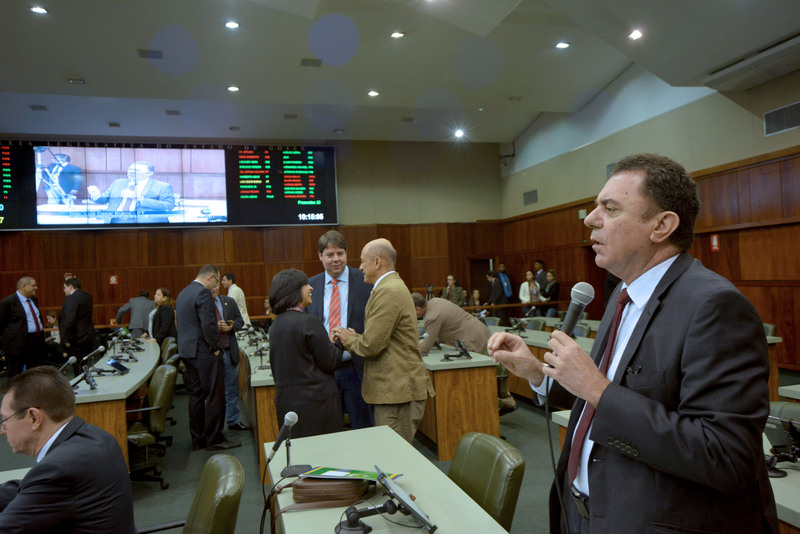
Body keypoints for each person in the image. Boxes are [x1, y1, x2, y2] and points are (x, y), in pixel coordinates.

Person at [488, 153, 778, 533]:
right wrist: (539, 374)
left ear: (661, 226)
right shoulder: (623, 294)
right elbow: (610, 396)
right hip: (586, 512)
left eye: (610, 209)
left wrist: (596, 387)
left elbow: (724, 455)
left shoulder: (714, 306)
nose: (590, 219)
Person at [0, 366, 136, 533]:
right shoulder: (95, 436)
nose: (3, 430)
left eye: (5, 420)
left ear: (34, 418)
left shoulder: (58, 469)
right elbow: (30, 487)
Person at [334, 238, 434, 444]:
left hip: (397, 394)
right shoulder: (389, 287)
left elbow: (371, 345)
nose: (360, 267)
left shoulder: (388, 291)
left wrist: (347, 339)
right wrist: (356, 337)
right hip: (395, 391)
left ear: (377, 262)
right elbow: (384, 338)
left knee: (394, 456)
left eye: (363, 261)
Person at [307, 230, 374, 430]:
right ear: (320, 256)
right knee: (328, 429)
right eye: (330, 254)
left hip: (356, 368)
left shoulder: (364, 281)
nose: (336, 259)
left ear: (346, 253)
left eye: (340, 253)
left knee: (363, 428)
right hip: (323, 371)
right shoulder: (311, 285)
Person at [269, 269, 344, 438]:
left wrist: (326, 343)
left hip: (290, 407)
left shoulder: (275, 325)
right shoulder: (309, 321)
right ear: (294, 290)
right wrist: (340, 341)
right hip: (317, 406)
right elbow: (331, 361)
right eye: (305, 285)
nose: (311, 288)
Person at [176, 264, 240, 451]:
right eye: (217, 281)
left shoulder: (183, 293)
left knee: (196, 396)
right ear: (210, 277)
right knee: (214, 395)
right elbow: (208, 324)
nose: (216, 285)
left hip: (187, 351)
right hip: (204, 352)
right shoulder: (203, 293)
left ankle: (198, 440)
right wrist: (215, 348)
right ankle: (215, 439)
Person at [210, 284, 248, 431]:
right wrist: (215, 327)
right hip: (212, 353)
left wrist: (231, 326)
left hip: (229, 351)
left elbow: (239, 320)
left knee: (232, 389)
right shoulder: (202, 304)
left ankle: (233, 421)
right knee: (213, 391)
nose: (214, 289)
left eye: (216, 286)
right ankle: (214, 426)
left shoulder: (228, 301)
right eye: (211, 286)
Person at [87, 161, 175, 224]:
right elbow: (104, 200)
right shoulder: (118, 183)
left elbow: (169, 205)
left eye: (136, 170)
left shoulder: (163, 186)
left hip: (144, 224)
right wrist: (96, 196)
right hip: (114, 221)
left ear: (150, 173)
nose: (131, 172)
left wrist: (139, 198)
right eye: (130, 169)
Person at [412, 293, 491, 355]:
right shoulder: (435, 301)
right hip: (481, 331)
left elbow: (425, 348)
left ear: (418, 309)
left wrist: (410, 350)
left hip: (473, 340)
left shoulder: (431, 317)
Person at [0, 277, 46, 377]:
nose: (36, 288)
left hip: (36, 342)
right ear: (23, 286)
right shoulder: (7, 302)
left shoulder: (33, 299)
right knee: (16, 375)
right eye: (33, 285)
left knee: (37, 373)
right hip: (17, 345)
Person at [60, 277, 96, 375]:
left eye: (64, 287)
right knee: (84, 364)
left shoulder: (71, 298)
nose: (64, 290)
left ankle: (80, 382)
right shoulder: (87, 296)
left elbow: (69, 320)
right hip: (88, 336)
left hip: (75, 338)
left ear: (70, 287)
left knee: (77, 367)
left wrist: (65, 339)